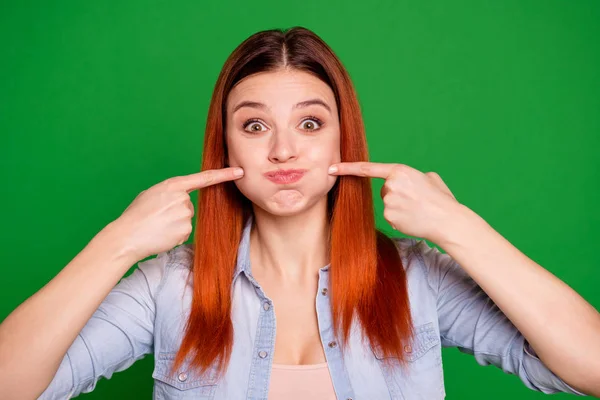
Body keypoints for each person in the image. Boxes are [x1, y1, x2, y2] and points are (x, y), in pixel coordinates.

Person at [0, 26, 598, 400]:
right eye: (255, 125)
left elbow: (589, 368)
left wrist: (459, 228)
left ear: (344, 139)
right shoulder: (168, 288)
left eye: (310, 123)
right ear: (227, 145)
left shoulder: (418, 280)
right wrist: (119, 243)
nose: (283, 149)